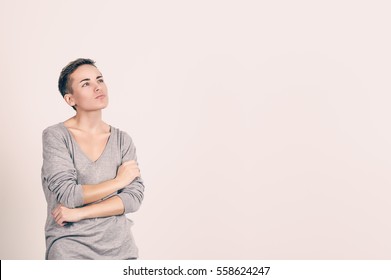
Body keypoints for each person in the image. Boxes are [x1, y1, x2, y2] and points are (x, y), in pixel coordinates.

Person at [41, 58, 145, 259]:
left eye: (100, 80)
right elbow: (69, 195)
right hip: (70, 248)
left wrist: (79, 213)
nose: (98, 87)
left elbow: (133, 199)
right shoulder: (56, 136)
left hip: (120, 249)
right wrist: (119, 182)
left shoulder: (122, 140)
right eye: (86, 83)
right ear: (71, 99)